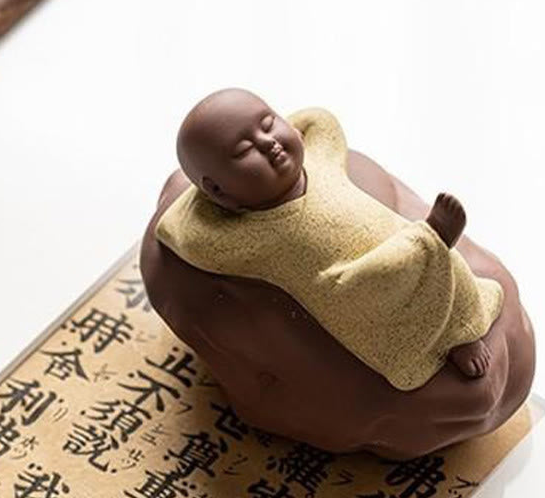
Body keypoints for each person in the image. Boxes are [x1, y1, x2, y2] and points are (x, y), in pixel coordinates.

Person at [155, 88, 503, 390]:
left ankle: (464, 328)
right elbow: (178, 231)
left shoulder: (319, 161)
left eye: (268, 124)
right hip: (351, 285)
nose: (268, 143)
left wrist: (285, 128)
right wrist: (210, 196)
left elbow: (320, 120)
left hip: (398, 236)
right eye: (244, 150)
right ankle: (431, 245)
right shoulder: (251, 237)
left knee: (446, 265)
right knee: (391, 280)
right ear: (218, 191)